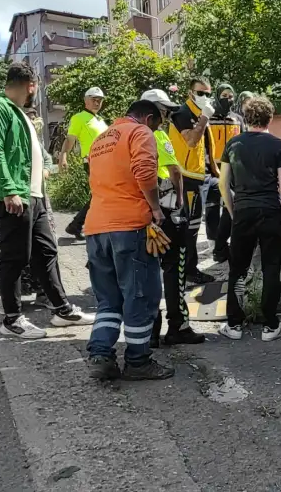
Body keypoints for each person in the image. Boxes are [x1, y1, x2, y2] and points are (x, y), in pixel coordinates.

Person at [0, 63, 95, 339]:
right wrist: (9, 190)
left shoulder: (17, 111)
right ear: (31, 85)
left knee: (46, 253)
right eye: (37, 88)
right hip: (14, 194)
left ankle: (62, 310)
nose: (37, 94)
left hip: (33, 194)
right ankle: (11, 319)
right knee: (15, 257)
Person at [83, 100, 174, 381]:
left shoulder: (101, 139)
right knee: (140, 296)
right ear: (148, 118)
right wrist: (156, 208)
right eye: (157, 124)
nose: (156, 130)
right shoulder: (140, 133)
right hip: (129, 227)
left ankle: (101, 355)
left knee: (109, 299)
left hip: (96, 228)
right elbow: (145, 172)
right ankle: (137, 361)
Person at [218, 96, 281, 342]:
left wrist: (233, 212)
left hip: (243, 212)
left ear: (246, 118)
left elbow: (223, 184)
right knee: (271, 267)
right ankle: (270, 325)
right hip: (270, 211)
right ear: (269, 118)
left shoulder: (233, 144)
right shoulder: (278, 145)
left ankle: (234, 324)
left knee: (238, 269)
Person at [140, 89, 206, 348]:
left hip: (140, 213)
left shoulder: (128, 135)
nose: (166, 115)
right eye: (163, 110)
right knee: (174, 268)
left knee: (147, 272)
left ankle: (150, 330)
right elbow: (175, 170)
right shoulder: (157, 135)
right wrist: (179, 199)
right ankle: (177, 326)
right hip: (165, 211)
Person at [0, 108, 56, 314]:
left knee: (45, 249)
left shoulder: (35, 140)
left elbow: (47, 160)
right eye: (27, 115)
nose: (31, 119)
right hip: (14, 199)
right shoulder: (6, 136)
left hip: (39, 199)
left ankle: (45, 294)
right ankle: (9, 299)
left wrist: (45, 170)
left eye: (32, 116)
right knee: (12, 252)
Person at [168, 78, 217, 284]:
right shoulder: (183, 114)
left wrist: (215, 170)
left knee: (220, 205)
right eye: (201, 93)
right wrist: (205, 117)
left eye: (208, 94)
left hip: (202, 176)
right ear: (190, 93)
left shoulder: (198, 113)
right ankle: (188, 269)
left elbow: (206, 147)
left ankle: (220, 249)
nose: (205, 97)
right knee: (191, 226)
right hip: (187, 177)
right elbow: (191, 141)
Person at [61, 87, 108, 240]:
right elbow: (70, 139)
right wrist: (63, 156)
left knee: (101, 195)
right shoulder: (79, 118)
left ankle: (77, 224)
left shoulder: (100, 120)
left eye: (99, 100)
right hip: (92, 161)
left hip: (106, 162)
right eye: (94, 99)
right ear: (85, 100)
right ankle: (82, 225)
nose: (97, 102)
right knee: (101, 195)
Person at [208, 83, 243, 263]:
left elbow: (244, 142)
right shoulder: (208, 118)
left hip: (234, 168)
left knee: (231, 205)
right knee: (214, 208)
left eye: (230, 95)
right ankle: (218, 246)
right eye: (224, 95)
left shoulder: (237, 119)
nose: (228, 99)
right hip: (213, 168)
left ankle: (221, 247)